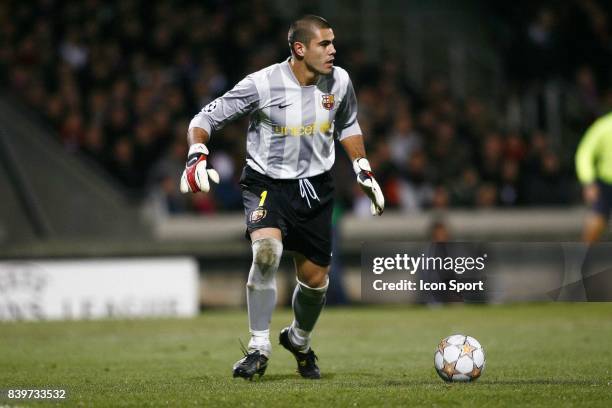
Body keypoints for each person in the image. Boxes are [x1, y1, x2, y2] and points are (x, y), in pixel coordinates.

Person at [180, 15, 384, 380]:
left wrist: (362, 165)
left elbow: (348, 123)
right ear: (300, 48)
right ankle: (258, 346)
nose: (333, 50)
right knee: (267, 252)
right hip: (266, 184)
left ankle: (299, 340)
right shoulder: (262, 84)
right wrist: (197, 153)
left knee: (315, 280)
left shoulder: (340, 81)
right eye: (325, 44)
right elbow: (204, 118)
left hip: (316, 189)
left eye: (333, 42)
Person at [576, 111, 612, 243]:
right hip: (606, 183)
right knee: (596, 221)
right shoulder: (604, 125)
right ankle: (582, 258)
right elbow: (585, 153)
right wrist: (588, 181)